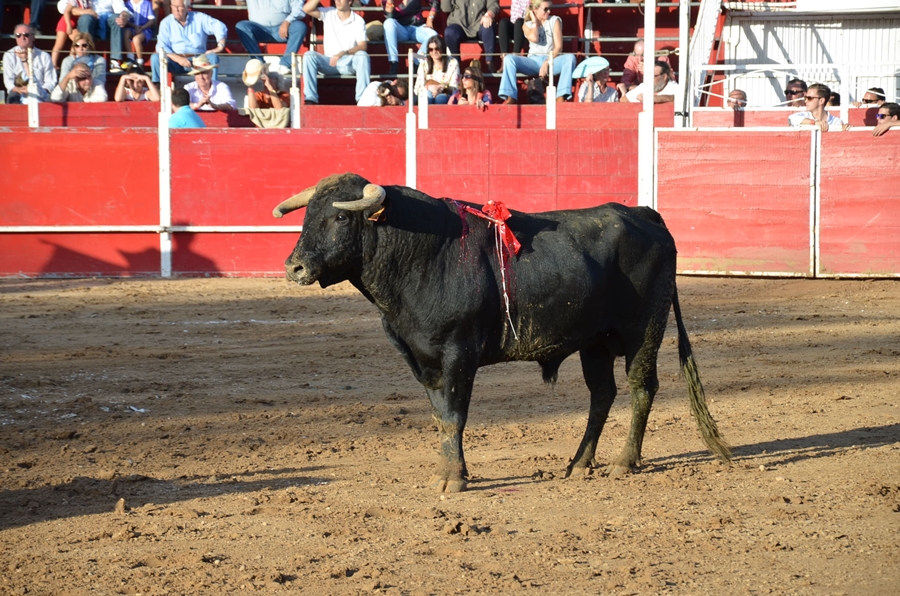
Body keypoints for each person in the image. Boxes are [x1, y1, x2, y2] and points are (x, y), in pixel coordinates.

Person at [498, 0, 575, 104]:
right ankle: (511, 97)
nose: (548, 12)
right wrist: (535, 22)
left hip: (551, 61)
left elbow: (558, 47)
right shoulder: (527, 25)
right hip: (533, 61)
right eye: (545, 9)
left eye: (550, 9)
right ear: (535, 9)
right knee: (509, 59)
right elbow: (534, 38)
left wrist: (547, 62)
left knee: (570, 58)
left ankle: (560, 97)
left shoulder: (554, 20)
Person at [300, 0, 370, 105]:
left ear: (350, 1)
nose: (337, 1)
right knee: (308, 55)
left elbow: (363, 46)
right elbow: (306, 9)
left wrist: (344, 52)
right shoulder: (329, 13)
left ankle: (362, 99)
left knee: (363, 56)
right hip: (328, 62)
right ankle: (311, 99)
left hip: (347, 63)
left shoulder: (358, 20)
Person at [151, 0, 228, 84]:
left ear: (187, 7)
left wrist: (220, 46)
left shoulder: (199, 18)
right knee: (155, 58)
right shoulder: (166, 22)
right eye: (173, 6)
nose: (176, 9)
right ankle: (157, 88)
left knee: (212, 57)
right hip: (175, 60)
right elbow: (161, 46)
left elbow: (220, 27)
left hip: (198, 60)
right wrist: (178, 59)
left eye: (179, 7)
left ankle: (212, 87)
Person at [235, 0, 308, 77]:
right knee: (241, 26)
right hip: (259, 29)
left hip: (282, 29)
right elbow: (240, 3)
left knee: (300, 27)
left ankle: (285, 64)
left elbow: (299, 9)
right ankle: (258, 63)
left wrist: (287, 21)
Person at [3, 24, 57, 104]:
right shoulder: (9, 55)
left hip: (41, 91)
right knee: (12, 98)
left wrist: (40, 91)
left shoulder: (44, 56)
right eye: (18, 35)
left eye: (26, 34)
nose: (22, 37)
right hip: (18, 92)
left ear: (33, 37)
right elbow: (9, 81)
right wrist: (20, 90)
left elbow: (50, 81)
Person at [440, 0, 498, 72]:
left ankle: (490, 62)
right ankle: (456, 63)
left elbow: (493, 5)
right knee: (450, 32)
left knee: (488, 27)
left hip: (479, 22)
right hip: (459, 23)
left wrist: (488, 15)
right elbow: (446, 9)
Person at [382, 0, 437, 77]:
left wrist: (430, 18)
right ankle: (393, 62)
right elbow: (389, 15)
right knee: (388, 23)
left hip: (417, 27)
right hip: (400, 28)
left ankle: (417, 61)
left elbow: (435, 1)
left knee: (433, 35)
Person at [76, 0, 130, 73]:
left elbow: (120, 8)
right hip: (91, 20)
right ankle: (85, 59)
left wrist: (124, 15)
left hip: (108, 22)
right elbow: (64, 6)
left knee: (117, 18)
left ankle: (115, 61)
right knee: (85, 18)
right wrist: (83, 11)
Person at [413, 35, 459, 104]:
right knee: (427, 96)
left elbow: (455, 88)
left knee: (440, 99)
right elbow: (417, 88)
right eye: (431, 49)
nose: (434, 52)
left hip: (445, 93)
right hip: (428, 91)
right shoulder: (424, 63)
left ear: (443, 48)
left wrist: (443, 87)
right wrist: (429, 87)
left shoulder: (453, 62)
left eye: (437, 48)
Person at [122, 0, 156, 65]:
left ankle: (139, 61)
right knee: (126, 33)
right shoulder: (128, 4)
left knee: (136, 39)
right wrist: (134, 26)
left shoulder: (147, 4)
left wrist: (142, 27)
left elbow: (151, 20)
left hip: (144, 29)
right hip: (132, 27)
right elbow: (126, 20)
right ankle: (130, 57)